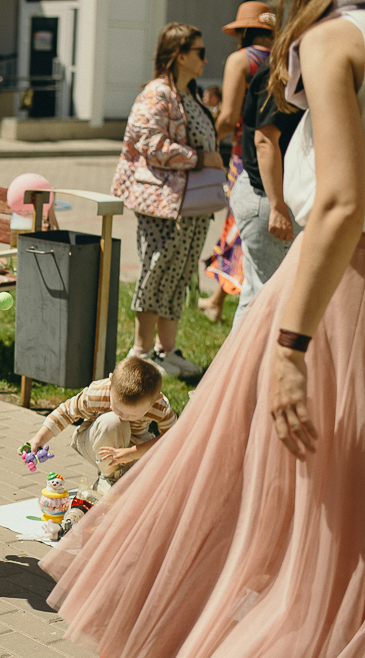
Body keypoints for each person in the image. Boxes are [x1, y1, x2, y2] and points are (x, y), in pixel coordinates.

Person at [40, 1, 365, 654]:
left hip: (335, 288)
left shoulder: (332, 38)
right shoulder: (172, 92)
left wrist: (288, 349)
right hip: (202, 214)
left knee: (277, 477)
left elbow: (340, 200)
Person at [111, 23, 222, 378]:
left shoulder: (190, 94)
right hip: (161, 203)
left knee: (179, 274)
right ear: (179, 55)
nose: (206, 59)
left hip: (188, 205)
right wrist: (199, 158)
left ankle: (167, 351)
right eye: (200, 52)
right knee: (156, 273)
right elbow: (150, 144)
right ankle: (141, 355)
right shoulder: (157, 94)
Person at [198, 2, 275, 323]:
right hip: (282, 158)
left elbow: (229, 117)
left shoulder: (241, 60)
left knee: (239, 228)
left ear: (242, 32)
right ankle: (219, 298)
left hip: (246, 159)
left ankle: (224, 300)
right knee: (247, 233)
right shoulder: (286, 59)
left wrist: (207, 136)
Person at [24, 356, 177, 494]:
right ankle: (109, 478)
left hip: (134, 444)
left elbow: (175, 437)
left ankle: (129, 477)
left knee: (160, 476)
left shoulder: (160, 407)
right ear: (111, 382)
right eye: (118, 408)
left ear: (156, 400)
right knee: (113, 422)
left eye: (132, 415)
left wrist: (132, 453)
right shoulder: (98, 392)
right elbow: (66, 412)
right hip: (95, 440)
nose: (123, 416)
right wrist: (40, 438)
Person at [230, 61, 304, 325]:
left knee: (255, 298)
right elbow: (265, 141)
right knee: (268, 302)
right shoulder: (282, 73)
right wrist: (278, 206)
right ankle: (247, 367)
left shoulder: (287, 70)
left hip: (265, 197)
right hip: (269, 199)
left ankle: (236, 366)